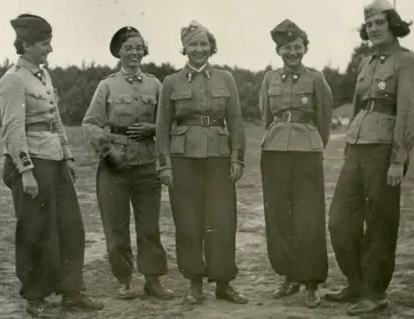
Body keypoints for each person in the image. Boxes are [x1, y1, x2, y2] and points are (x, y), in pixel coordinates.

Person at [0, 13, 103, 317]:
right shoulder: (13, 79)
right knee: (35, 230)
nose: (50, 49)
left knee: (71, 227)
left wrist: (67, 156)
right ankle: (34, 296)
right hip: (31, 162)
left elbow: (55, 118)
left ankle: (72, 291)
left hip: (55, 160)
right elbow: (13, 131)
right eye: (45, 44)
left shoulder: (44, 75)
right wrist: (26, 171)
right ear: (27, 44)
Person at [325, 0, 414, 316]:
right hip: (359, 146)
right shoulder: (366, 63)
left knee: (380, 223)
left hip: (385, 150)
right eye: (369, 25)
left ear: (393, 24)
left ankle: (375, 291)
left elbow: (408, 112)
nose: (373, 28)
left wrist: (398, 158)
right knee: (339, 220)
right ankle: (355, 282)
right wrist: (350, 143)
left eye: (379, 23)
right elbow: (357, 106)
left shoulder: (405, 61)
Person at [155, 20, 248, 305]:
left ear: (211, 47)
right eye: (193, 44)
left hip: (219, 159)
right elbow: (162, 126)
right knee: (188, 222)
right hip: (183, 160)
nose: (199, 49)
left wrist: (237, 158)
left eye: (203, 44)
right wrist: (165, 165)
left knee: (222, 221)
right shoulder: (171, 82)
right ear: (184, 48)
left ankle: (223, 283)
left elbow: (235, 121)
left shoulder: (226, 78)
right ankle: (194, 283)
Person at [82, 26, 174, 300]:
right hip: (115, 168)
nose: (134, 52)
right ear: (118, 52)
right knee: (116, 227)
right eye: (128, 48)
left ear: (144, 51)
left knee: (149, 227)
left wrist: (153, 129)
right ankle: (124, 280)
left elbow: (169, 122)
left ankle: (153, 280)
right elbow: (90, 124)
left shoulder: (156, 85)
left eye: (139, 47)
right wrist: (108, 152)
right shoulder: (107, 85)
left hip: (147, 166)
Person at [259, 19, 333, 308]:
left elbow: (324, 120)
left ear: (305, 48)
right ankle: (289, 275)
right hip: (275, 150)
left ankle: (311, 281)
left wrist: (314, 144)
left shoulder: (316, 79)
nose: (293, 52)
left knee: (308, 217)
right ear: (279, 51)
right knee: (279, 215)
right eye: (287, 48)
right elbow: (266, 116)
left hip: (307, 153)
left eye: (298, 46)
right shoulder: (269, 79)